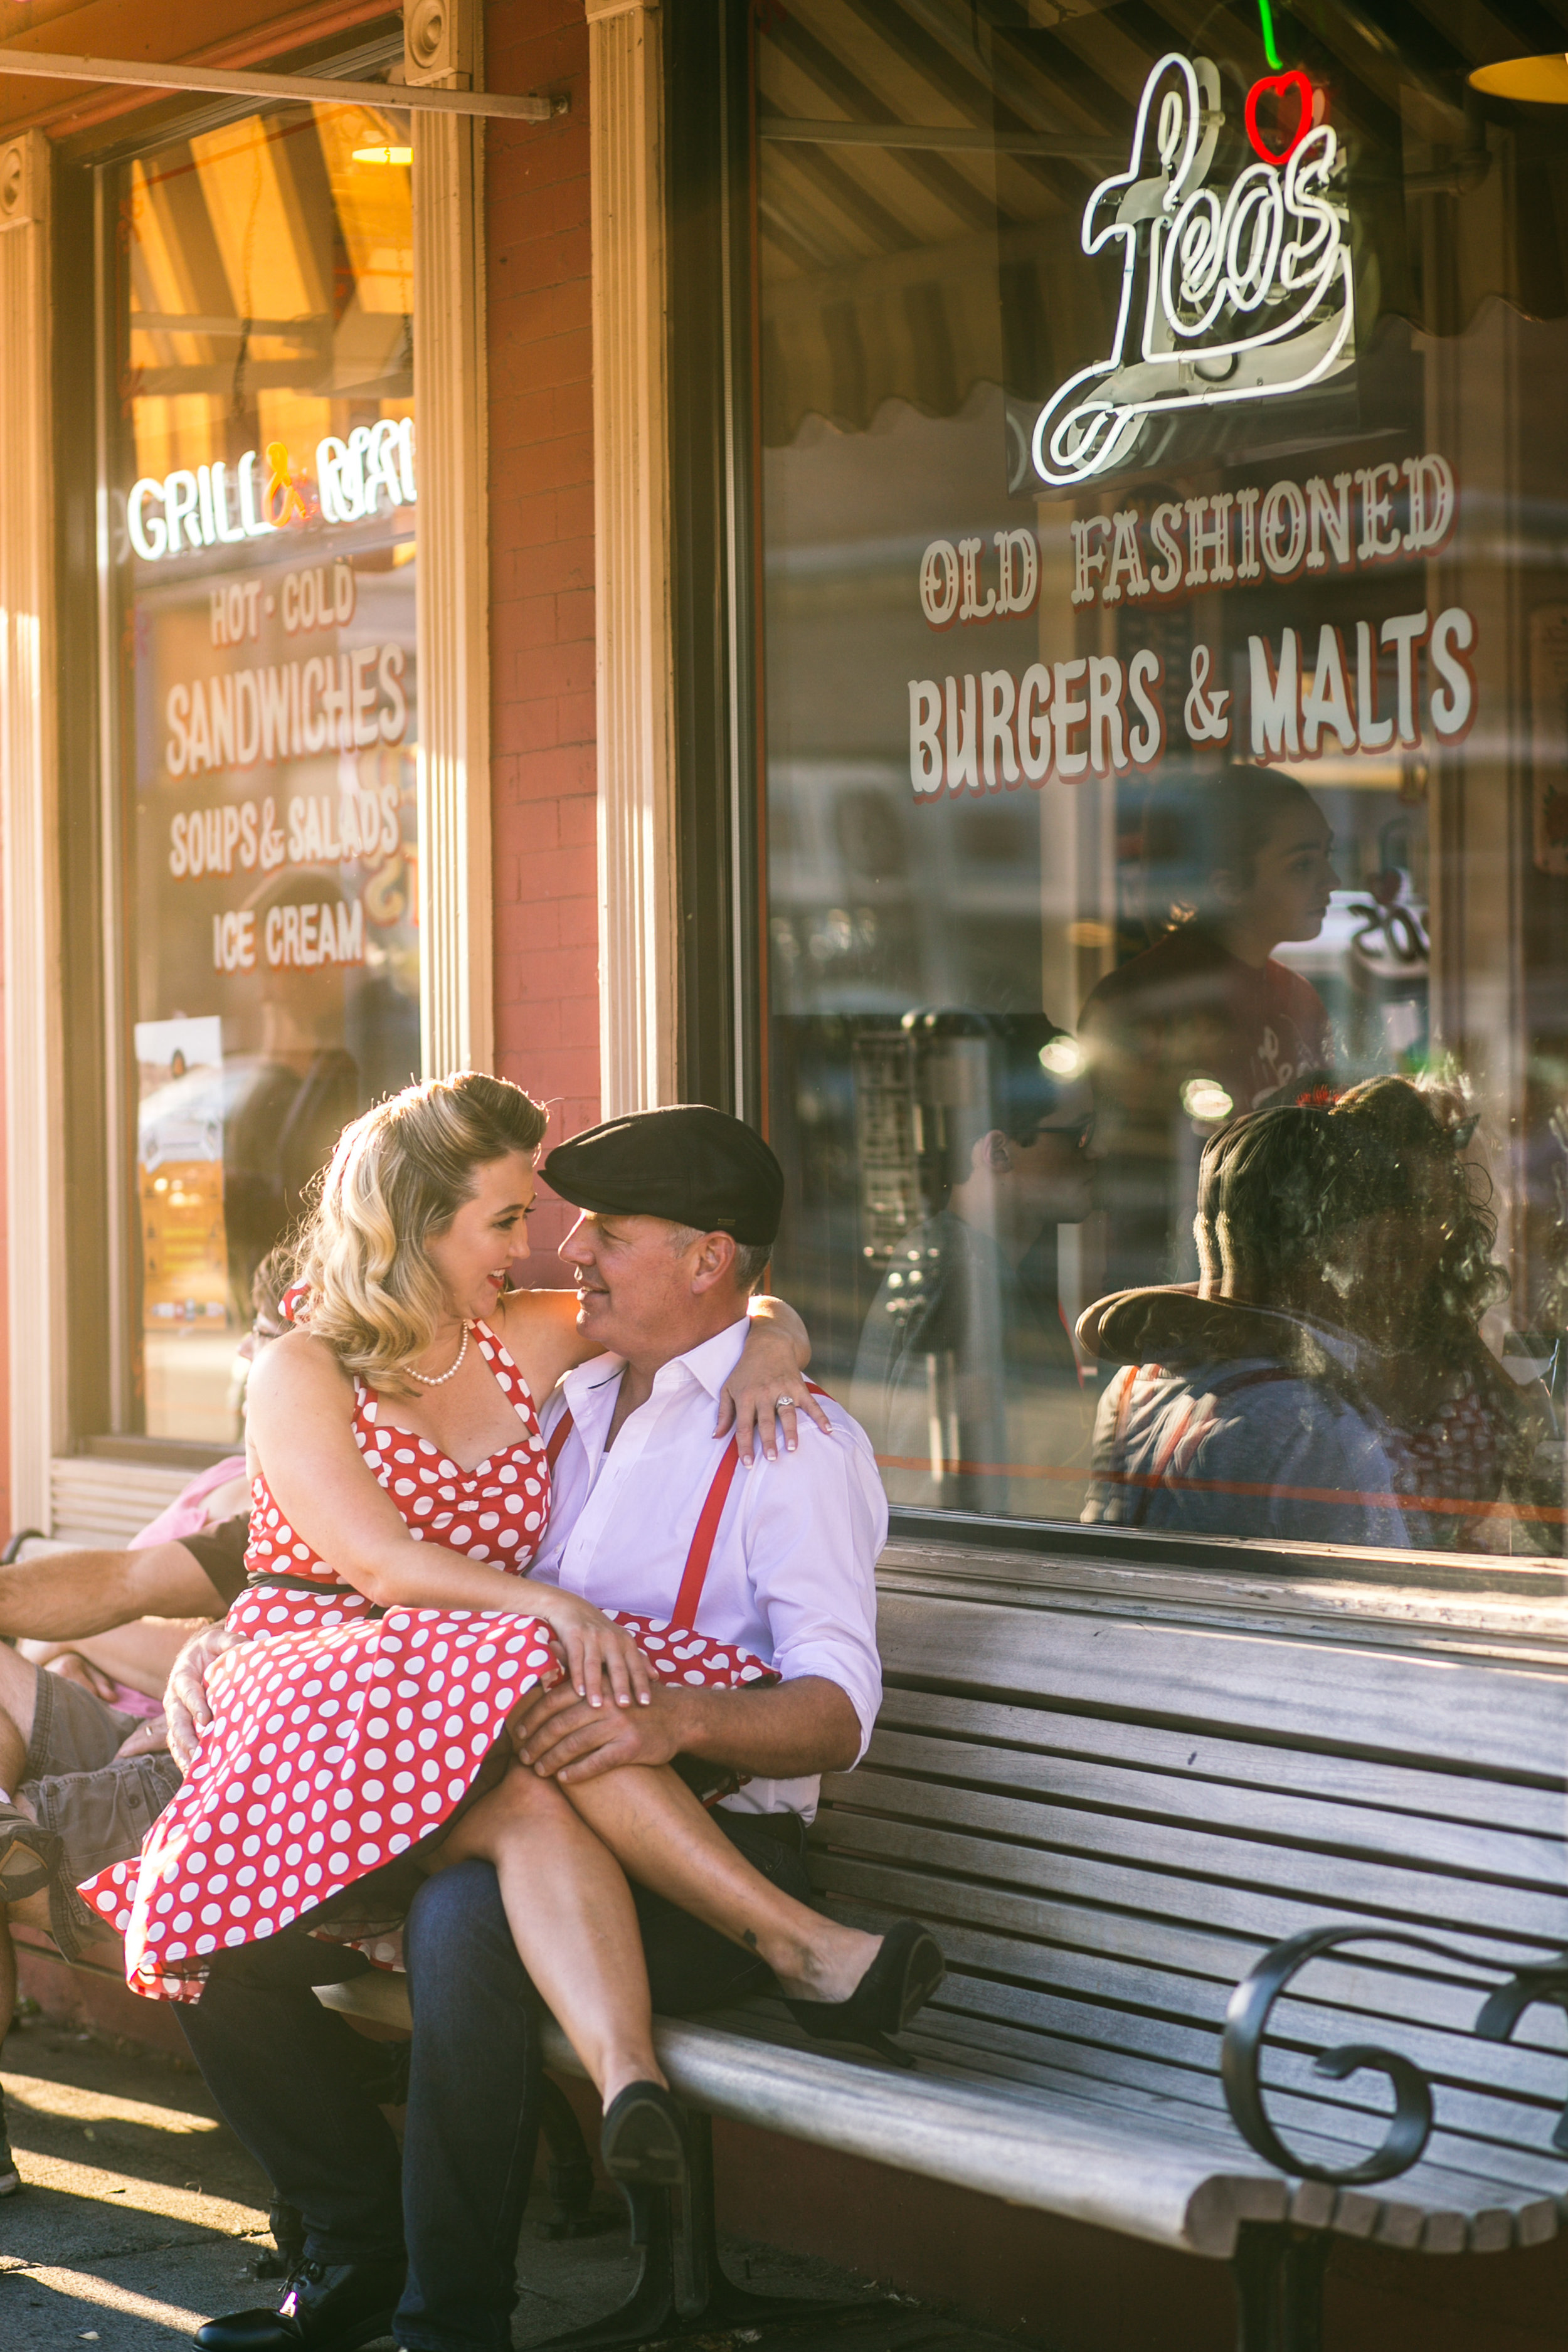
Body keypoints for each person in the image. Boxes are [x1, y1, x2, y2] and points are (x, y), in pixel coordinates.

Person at [93, 1083, 933, 2352]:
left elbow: (832, 1717)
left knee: (465, 1912)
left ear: (703, 1257)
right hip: (473, 1758)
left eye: (605, 1229)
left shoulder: (788, 1444)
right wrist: (225, 1637)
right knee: (216, 1921)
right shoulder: (576, 1395)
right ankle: (357, 2255)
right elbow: (355, 1558)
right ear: (418, 1224)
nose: (562, 1248)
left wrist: (678, 1722)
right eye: (529, 1220)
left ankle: (453, 2321)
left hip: (693, 1836)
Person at [1078, 1100, 1413, 1546]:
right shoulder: (1316, 1428)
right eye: (1380, 1239)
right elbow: (1384, 1602)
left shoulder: (1134, 1383)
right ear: (1339, 1243)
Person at [1079, 774, 1338, 1293]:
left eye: (1326, 857)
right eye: (1303, 865)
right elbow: (1128, 1168)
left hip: (1280, 1278)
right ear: (1226, 881)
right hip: (1180, 1284)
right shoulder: (1150, 998)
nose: (1330, 881)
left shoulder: (1299, 998)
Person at [853, 1012, 1095, 1514]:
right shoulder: (952, 1279)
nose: (1097, 1152)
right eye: (1079, 1134)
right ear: (1000, 1153)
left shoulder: (988, 1267)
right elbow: (925, 1491)